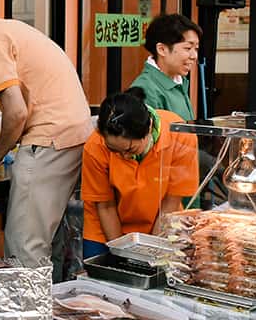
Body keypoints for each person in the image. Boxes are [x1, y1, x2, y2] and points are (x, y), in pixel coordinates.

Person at [0, 0, 92, 270]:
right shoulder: (8, 28)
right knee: (48, 238)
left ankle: (30, 311)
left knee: (25, 244)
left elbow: (17, 112)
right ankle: (51, 300)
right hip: (71, 136)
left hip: (47, 139)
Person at [81, 88, 198, 258]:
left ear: (149, 127)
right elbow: (105, 206)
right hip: (105, 227)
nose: (124, 156)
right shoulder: (95, 147)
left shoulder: (180, 135)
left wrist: (151, 250)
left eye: (130, 149)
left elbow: (170, 203)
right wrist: (120, 251)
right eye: (114, 150)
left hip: (160, 222)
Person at [130, 13, 201, 120]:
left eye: (196, 49)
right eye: (188, 48)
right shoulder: (145, 90)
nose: (194, 56)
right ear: (162, 49)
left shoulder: (178, 81)